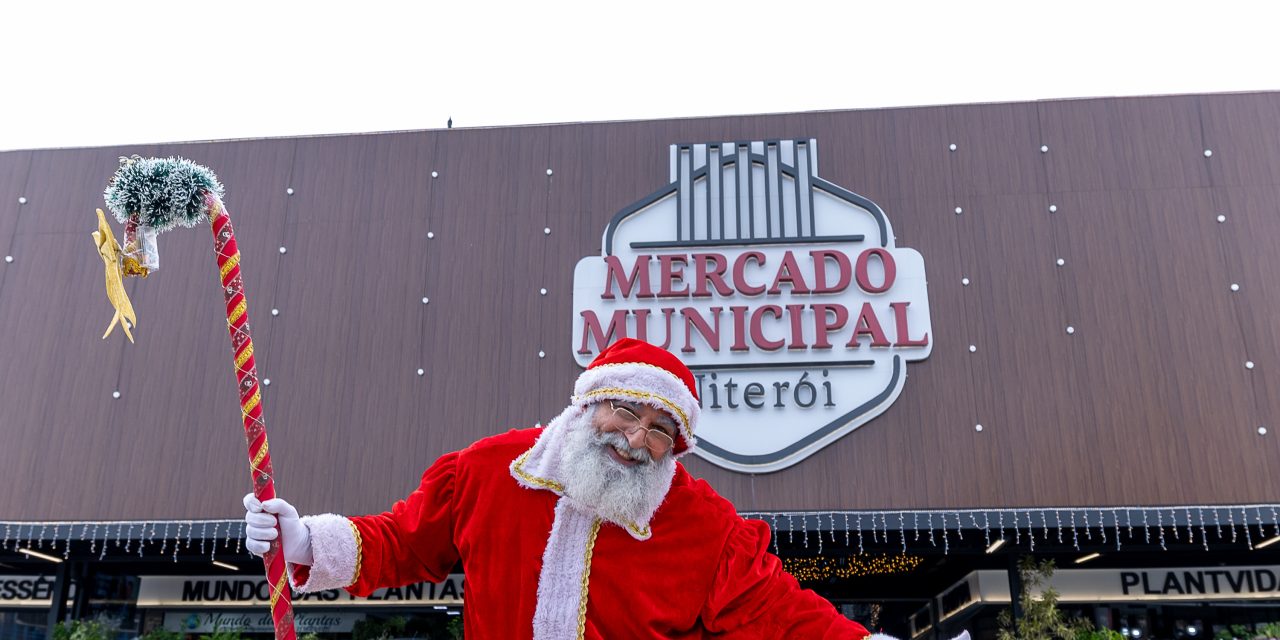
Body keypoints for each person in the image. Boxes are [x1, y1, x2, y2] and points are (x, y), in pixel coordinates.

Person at [244, 338, 893, 638]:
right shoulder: (486, 470)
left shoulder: (703, 525)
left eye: (662, 430)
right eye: (627, 414)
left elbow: (773, 615)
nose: (638, 440)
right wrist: (302, 539)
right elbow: (403, 542)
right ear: (588, 406)